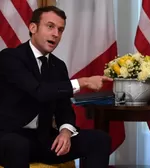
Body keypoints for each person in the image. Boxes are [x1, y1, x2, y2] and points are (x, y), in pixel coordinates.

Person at [0, 6, 113, 168]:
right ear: (33, 28)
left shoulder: (58, 66)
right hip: (9, 136)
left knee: (100, 139)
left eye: (60, 30)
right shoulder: (10, 57)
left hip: (43, 140)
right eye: (50, 26)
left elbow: (64, 110)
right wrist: (83, 82)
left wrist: (65, 131)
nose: (56, 34)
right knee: (18, 145)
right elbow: (39, 91)